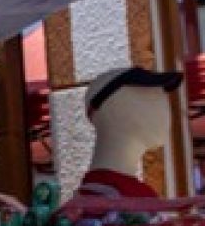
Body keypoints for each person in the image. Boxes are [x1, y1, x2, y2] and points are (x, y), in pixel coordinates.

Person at [77, 66, 183, 199]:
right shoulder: (107, 202)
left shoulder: (120, 196)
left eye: (163, 98)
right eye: (151, 98)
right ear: (113, 108)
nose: (166, 110)